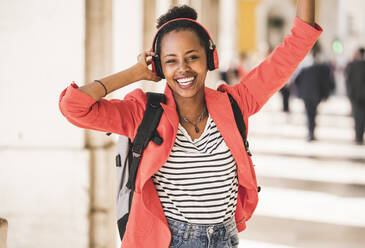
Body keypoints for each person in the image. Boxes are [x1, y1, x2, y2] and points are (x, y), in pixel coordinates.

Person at [59, 1, 321, 247]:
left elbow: (297, 44)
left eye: (192, 57)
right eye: (171, 61)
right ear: (160, 67)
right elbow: (74, 107)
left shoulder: (235, 104)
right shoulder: (142, 113)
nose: (183, 69)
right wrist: (135, 73)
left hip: (225, 238)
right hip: (170, 240)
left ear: (210, 59)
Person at [294, 42, 335, 141]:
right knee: (313, 114)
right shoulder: (321, 69)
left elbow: (297, 80)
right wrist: (326, 95)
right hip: (316, 95)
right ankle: (311, 132)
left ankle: (310, 133)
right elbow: (326, 83)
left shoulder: (304, 69)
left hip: (307, 95)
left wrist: (300, 93)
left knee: (309, 114)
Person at [345, 47, 365, 145]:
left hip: (356, 97)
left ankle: (358, 137)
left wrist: (350, 94)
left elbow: (348, 81)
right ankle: (360, 135)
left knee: (357, 117)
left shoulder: (352, 65)